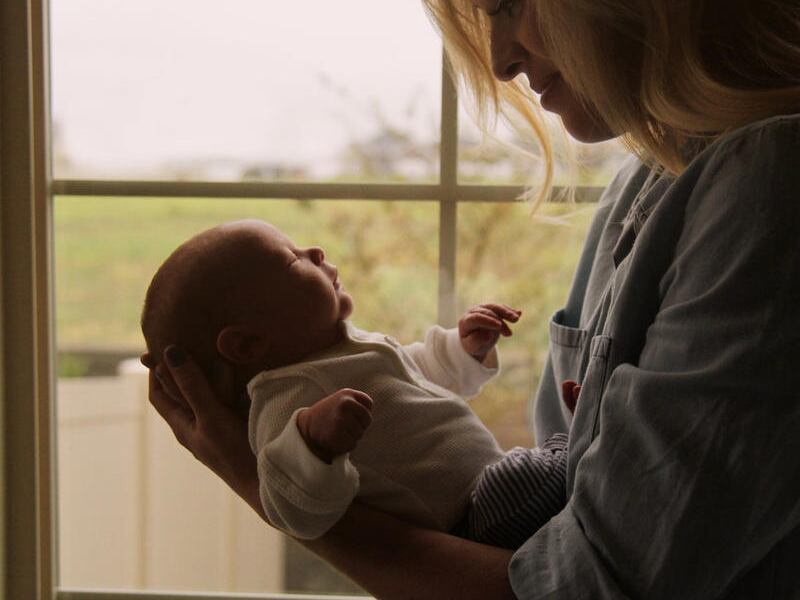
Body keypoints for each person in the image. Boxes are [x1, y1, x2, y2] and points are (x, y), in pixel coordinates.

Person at [141, 0, 800, 597]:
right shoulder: (642, 183)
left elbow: (587, 585)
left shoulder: (768, 183)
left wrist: (257, 485)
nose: (500, 61)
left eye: (509, 5)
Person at [141, 219, 569, 548]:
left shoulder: (343, 354)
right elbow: (287, 505)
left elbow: (414, 377)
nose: (315, 251)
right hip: (475, 518)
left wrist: (462, 350)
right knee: (548, 465)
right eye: (292, 259)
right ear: (248, 343)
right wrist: (312, 443)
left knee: (548, 468)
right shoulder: (286, 400)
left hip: (495, 492)